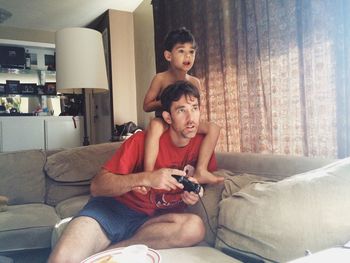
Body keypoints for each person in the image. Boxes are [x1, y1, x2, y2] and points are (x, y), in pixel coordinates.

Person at [48, 81, 218, 263]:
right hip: (112, 212)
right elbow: (97, 186)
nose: (191, 118)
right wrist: (147, 178)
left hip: (151, 224)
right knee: (61, 260)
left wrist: (195, 193)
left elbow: (201, 183)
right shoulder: (140, 141)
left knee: (195, 228)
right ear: (168, 117)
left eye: (195, 108)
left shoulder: (202, 146)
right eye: (181, 110)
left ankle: (110, 252)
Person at [143, 27, 223, 185]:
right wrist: (170, 101)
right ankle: (148, 174)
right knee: (154, 125)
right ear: (168, 55)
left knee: (213, 127)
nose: (187, 56)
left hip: (184, 122)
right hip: (165, 120)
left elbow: (196, 108)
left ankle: (201, 170)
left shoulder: (195, 82)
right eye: (181, 51)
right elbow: (146, 105)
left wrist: (189, 111)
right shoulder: (160, 78)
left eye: (191, 52)